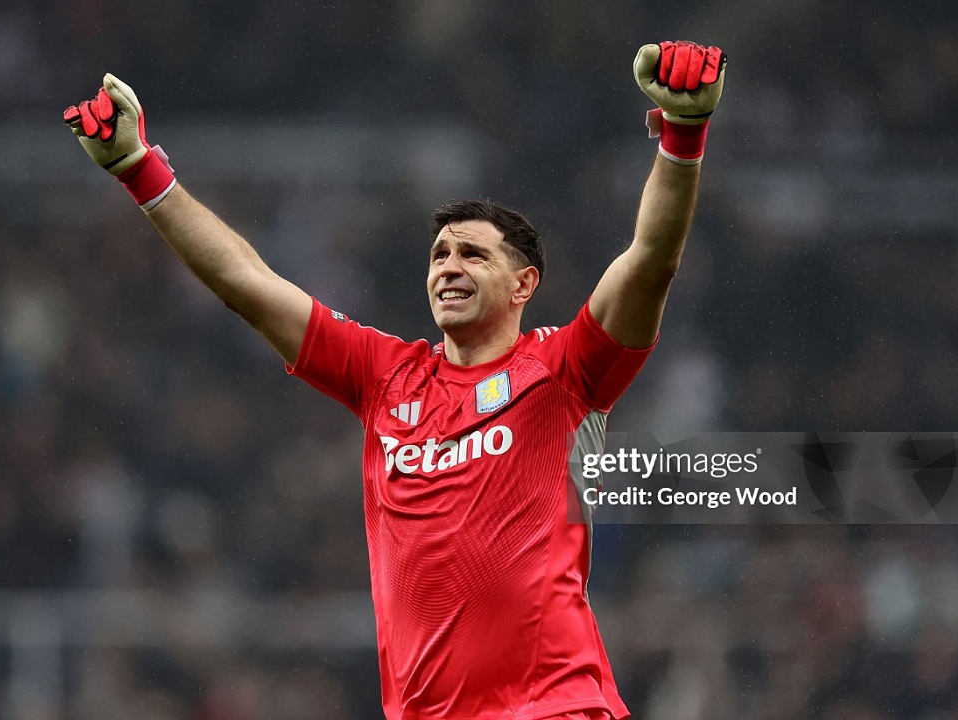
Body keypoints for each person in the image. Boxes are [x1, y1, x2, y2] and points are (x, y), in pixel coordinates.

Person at [64, 39, 726, 720]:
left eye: (473, 254)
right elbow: (246, 282)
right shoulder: (386, 377)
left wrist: (683, 134)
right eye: (439, 254)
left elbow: (650, 260)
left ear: (525, 283)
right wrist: (139, 168)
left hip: (555, 707)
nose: (448, 267)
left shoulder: (564, 370)